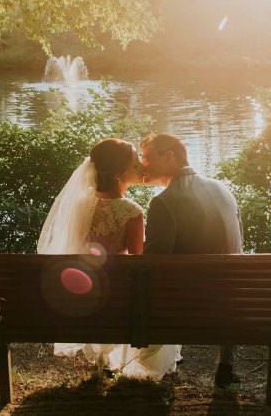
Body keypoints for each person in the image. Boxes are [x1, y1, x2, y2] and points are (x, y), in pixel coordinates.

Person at [37, 138, 180, 380]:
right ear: (118, 175)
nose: (142, 168)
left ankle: (104, 360)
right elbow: (138, 264)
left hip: (83, 297)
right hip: (118, 301)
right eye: (136, 165)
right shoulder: (132, 212)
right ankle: (136, 363)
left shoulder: (80, 205)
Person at [140, 133, 244, 388]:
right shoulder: (223, 188)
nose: (144, 165)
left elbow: (151, 264)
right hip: (234, 304)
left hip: (192, 307)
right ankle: (226, 365)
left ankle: (141, 361)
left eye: (148, 158)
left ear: (169, 156)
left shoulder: (163, 201)